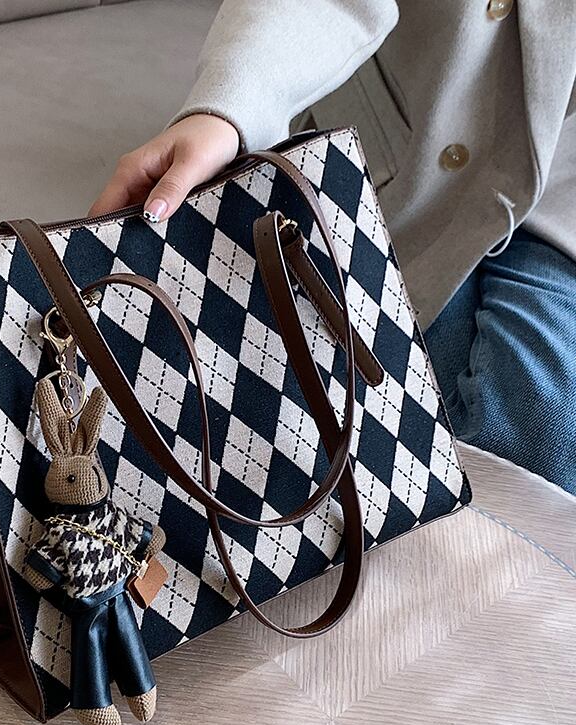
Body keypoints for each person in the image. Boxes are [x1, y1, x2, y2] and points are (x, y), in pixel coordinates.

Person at [90, 0, 576, 494]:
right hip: (398, 161)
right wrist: (231, 107)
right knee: (376, 428)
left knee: (539, 450)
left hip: (563, 203)